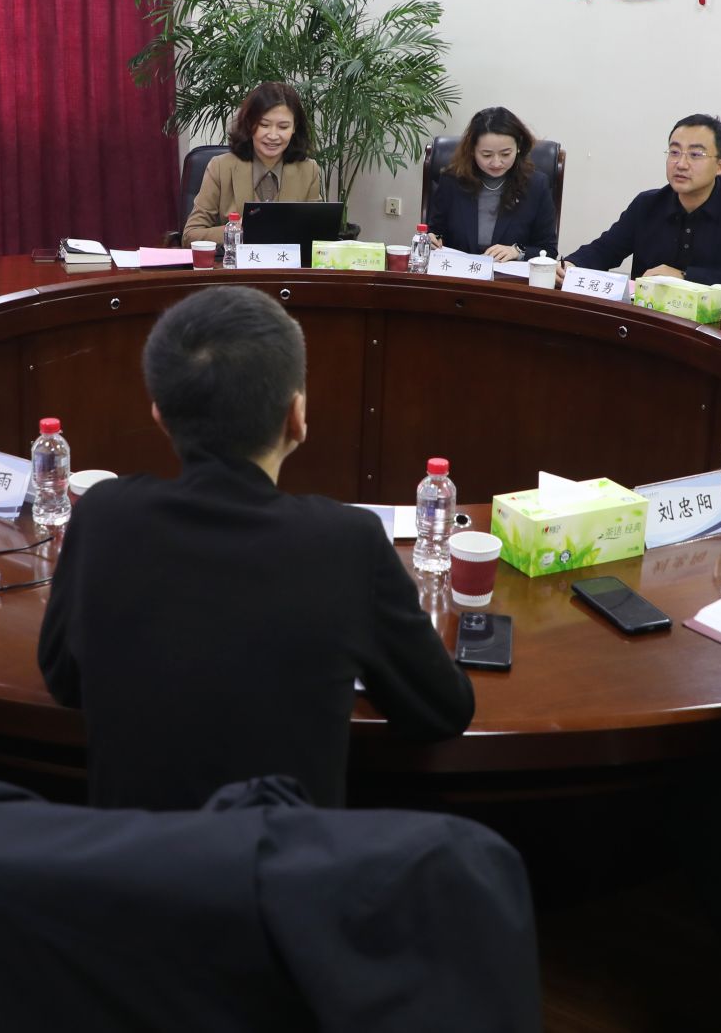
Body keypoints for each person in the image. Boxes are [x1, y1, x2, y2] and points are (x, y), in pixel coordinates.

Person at [38, 284, 474, 809]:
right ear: (297, 417)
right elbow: (442, 710)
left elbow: (63, 680)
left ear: (160, 416)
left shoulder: (103, 516)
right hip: (283, 858)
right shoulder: (347, 543)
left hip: (131, 856)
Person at [561, 114, 721, 284]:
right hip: (648, 317)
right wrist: (571, 265)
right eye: (674, 152)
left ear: (720, 166)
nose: (681, 164)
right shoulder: (647, 205)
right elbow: (605, 250)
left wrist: (684, 277)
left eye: (695, 155)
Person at [180, 82, 325, 246]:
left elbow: (317, 235)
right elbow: (190, 236)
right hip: (234, 262)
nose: (273, 135)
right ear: (249, 124)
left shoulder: (308, 170)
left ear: (294, 127)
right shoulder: (221, 167)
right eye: (264, 125)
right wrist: (238, 230)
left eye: (283, 127)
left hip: (286, 262)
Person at [425, 106, 558, 260]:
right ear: (472, 150)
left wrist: (517, 252)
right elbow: (435, 232)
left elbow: (548, 250)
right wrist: (432, 239)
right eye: (487, 155)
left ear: (519, 147)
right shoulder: (452, 181)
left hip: (507, 273)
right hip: (459, 270)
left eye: (505, 154)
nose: (496, 163)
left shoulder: (536, 185)